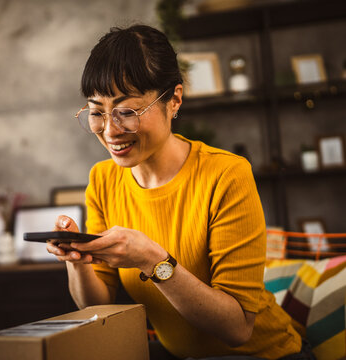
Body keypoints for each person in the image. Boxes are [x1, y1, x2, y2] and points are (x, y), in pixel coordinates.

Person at [46, 25, 314, 359]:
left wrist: (151, 259)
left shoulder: (226, 175)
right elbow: (97, 306)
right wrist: (79, 260)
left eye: (126, 112)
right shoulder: (103, 179)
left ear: (174, 99)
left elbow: (237, 329)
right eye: (97, 112)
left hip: (263, 354)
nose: (110, 130)